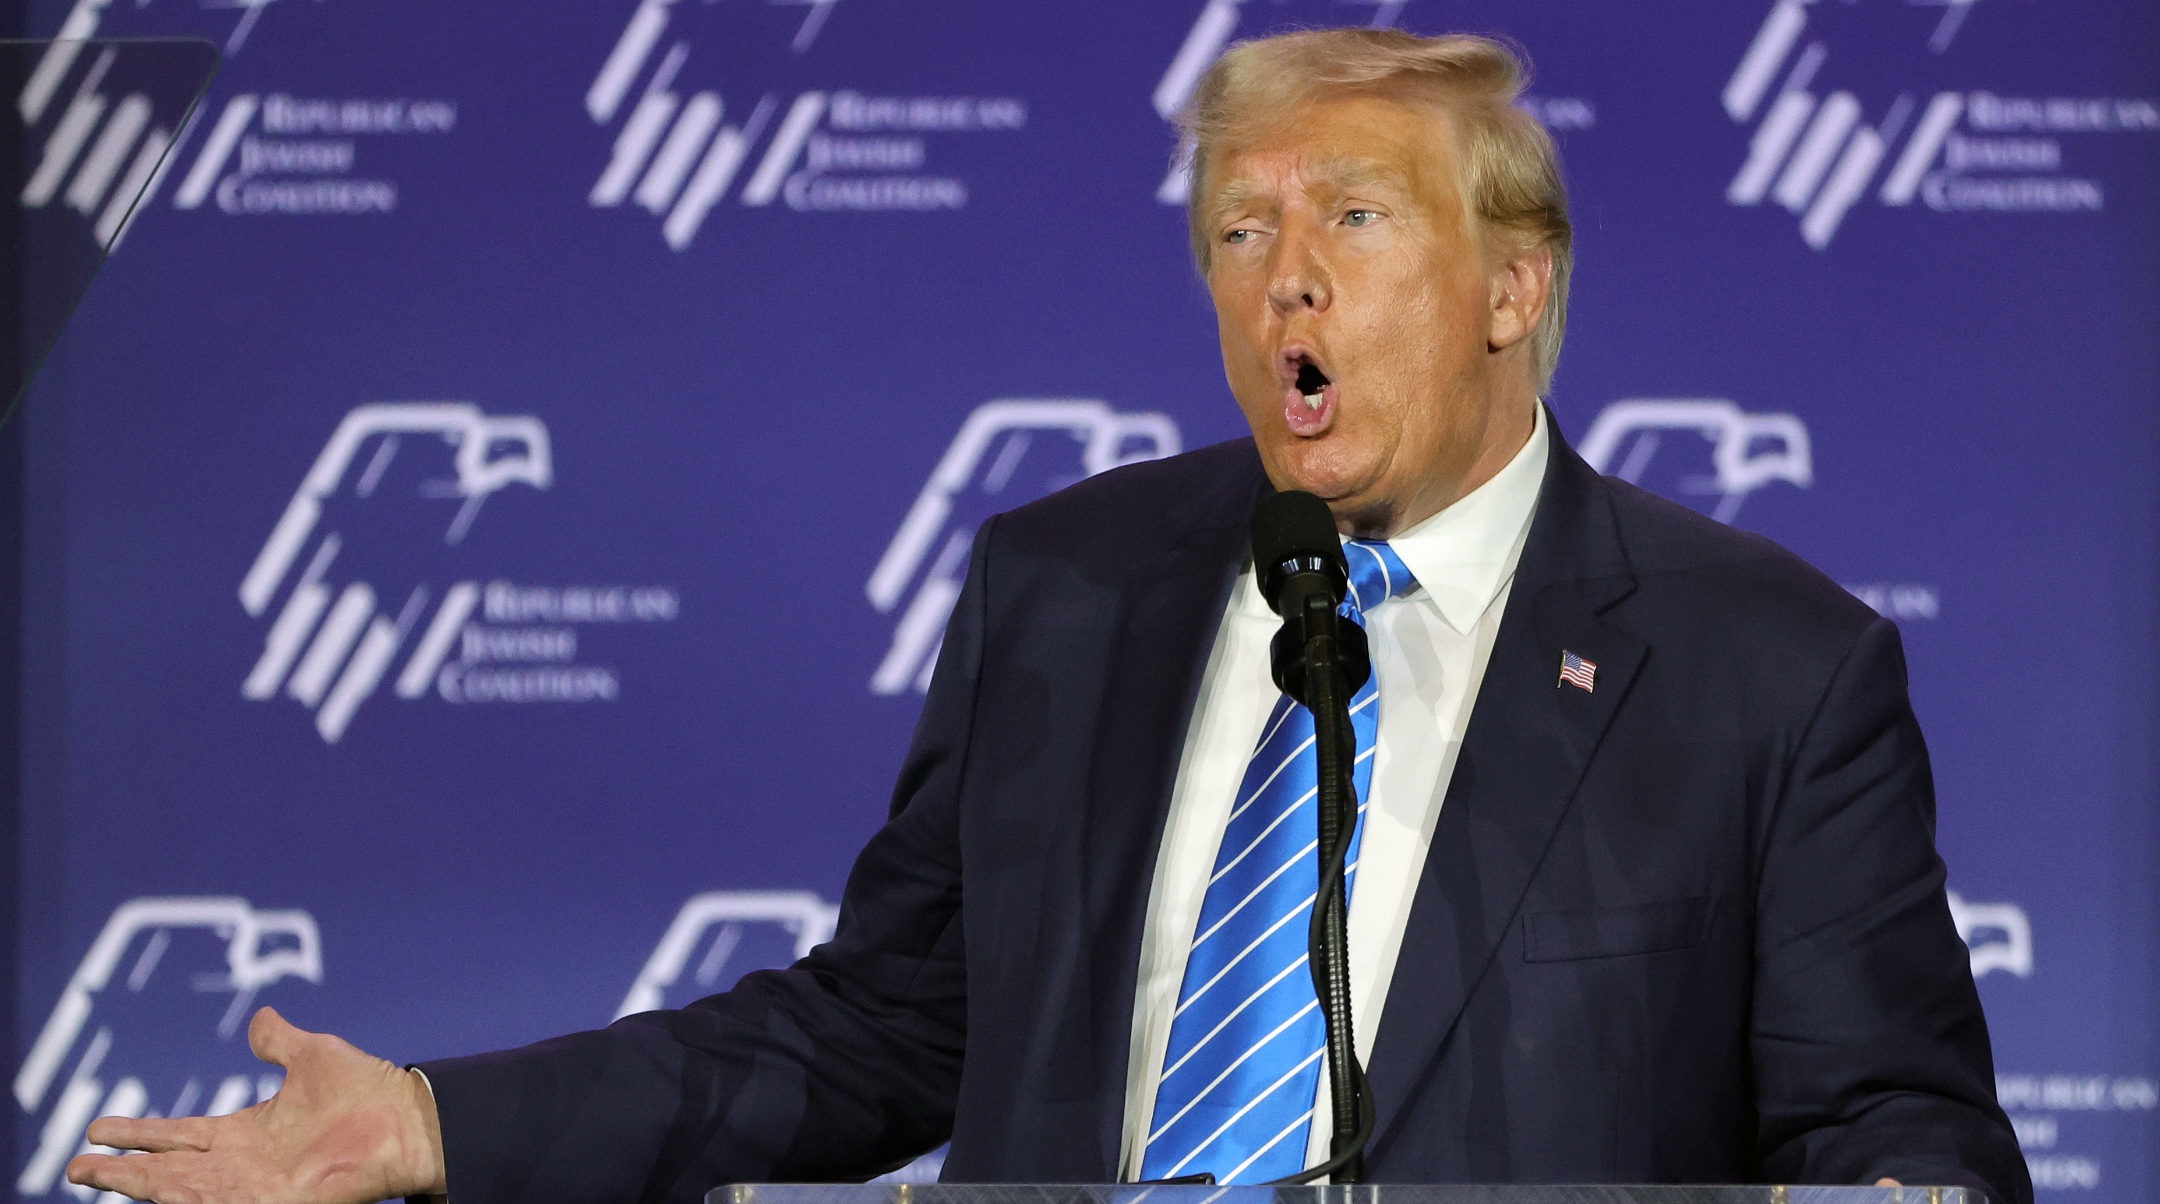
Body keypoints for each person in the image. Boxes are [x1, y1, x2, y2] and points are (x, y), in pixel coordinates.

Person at [68, 28, 2031, 1204]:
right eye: (1241, 232)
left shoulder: (1767, 665)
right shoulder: (1069, 586)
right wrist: (436, 1119)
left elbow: (1907, 1146)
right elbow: (884, 1027)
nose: (1285, 285)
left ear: (1514, 288)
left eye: (1352, 221)